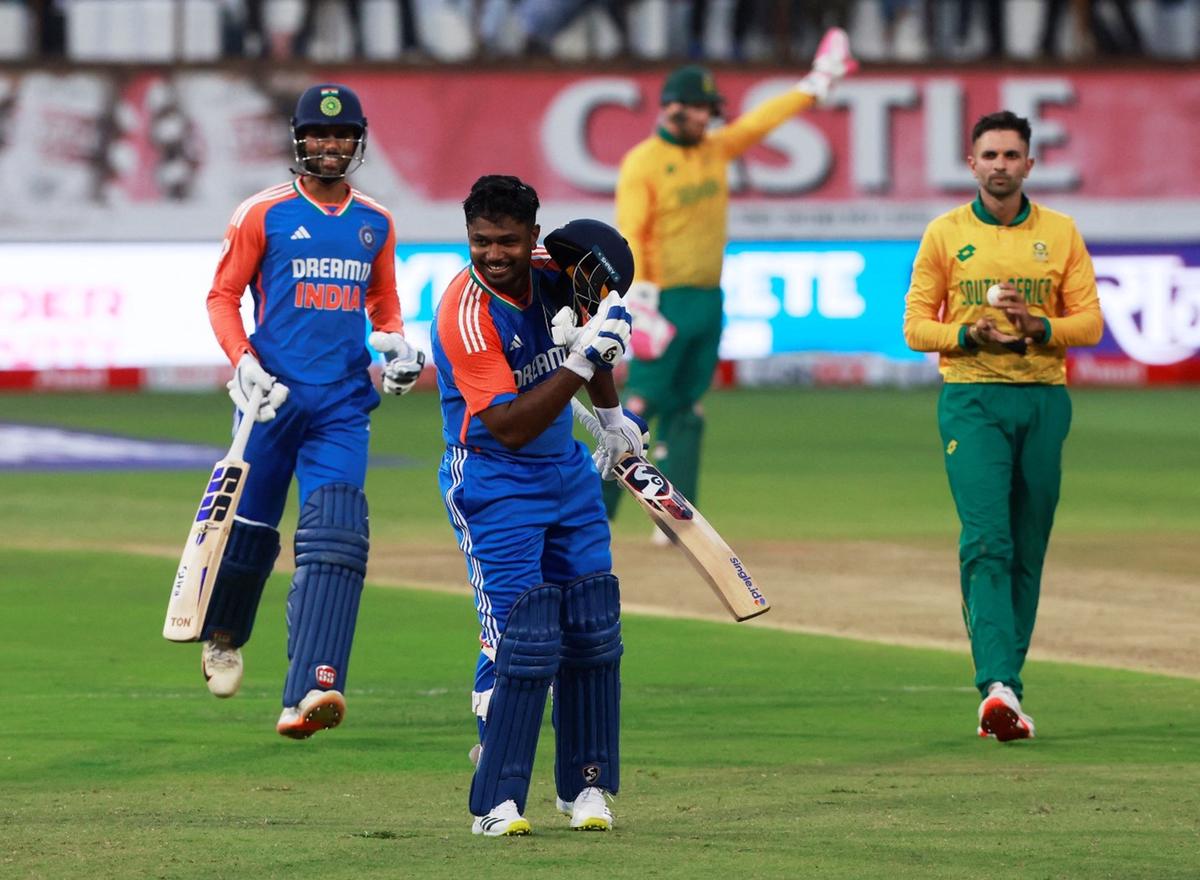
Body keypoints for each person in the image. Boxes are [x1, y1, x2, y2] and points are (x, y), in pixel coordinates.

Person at [200, 83, 425, 739]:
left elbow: (383, 309)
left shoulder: (374, 222)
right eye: (319, 135)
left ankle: (309, 690)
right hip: (271, 400)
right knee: (252, 534)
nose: (330, 146)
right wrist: (243, 363)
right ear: (299, 140)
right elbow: (222, 296)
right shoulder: (262, 213)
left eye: (342, 136)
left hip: (342, 406)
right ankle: (223, 636)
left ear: (358, 142)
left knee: (335, 540)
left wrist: (394, 347)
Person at [432, 174, 647, 836]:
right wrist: (581, 366)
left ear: (533, 235)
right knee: (522, 638)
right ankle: (495, 799)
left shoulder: (559, 272)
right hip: (493, 478)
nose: (493, 254)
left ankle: (585, 788)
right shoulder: (465, 312)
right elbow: (509, 426)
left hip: (566, 474)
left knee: (591, 629)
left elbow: (599, 333)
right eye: (480, 241)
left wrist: (612, 419)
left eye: (507, 241)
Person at [902, 110, 1103, 742]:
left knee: (1027, 544)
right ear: (971, 163)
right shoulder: (945, 234)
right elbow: (914, 328)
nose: (999, 166)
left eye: (1011, 156)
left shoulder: (1062, 233)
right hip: (971, 398)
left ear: (1029, 165)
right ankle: (995, 682)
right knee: (987, 539)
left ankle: (1006, 687)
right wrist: (969, 331)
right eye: (989, 155)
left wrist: (1037, 324)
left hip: (1043, 400)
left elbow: (1091, 325)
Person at [608, 26, 856, 538]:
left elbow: (763, 121)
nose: (707, 118)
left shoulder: (714, 149)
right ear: (674, 106)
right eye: (699, 108)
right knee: (638, 406)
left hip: (707, 297)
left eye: (709, 111)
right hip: (663, 298)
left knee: (689, 407)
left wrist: (815, 84)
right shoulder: (643, 163)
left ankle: (674, 517)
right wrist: (639, 295)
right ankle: (594, 511)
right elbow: (630, 231)